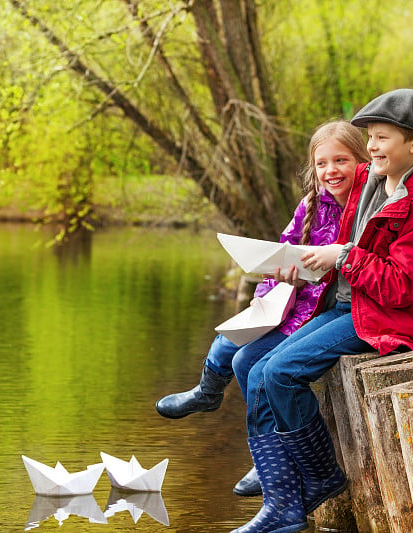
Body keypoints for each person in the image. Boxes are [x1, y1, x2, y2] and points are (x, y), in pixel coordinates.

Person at [231, 89, 413, 533]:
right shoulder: (376, 182)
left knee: (280, 374)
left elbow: (403, 287)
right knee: (255, 364)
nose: (371, 147)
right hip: (354, 305)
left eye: (382, 137)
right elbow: (332, 213)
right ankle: (282, 493)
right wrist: (300, 265)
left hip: (396, 320)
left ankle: (316, 480)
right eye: (370, 137)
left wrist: (343, 257)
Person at [154, 120, 370, 497]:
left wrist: (312, 276)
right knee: (230, 345)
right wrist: (272, 285)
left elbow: (349, 273)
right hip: (291, 301)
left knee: (246, 362)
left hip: (319, 309)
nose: (330, 170)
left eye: (341, 160)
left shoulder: (363, 209)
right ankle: (213, 397)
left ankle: (274, 458)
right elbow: (282, 251)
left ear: (360, 161)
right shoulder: (312, 205)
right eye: (321, 163)